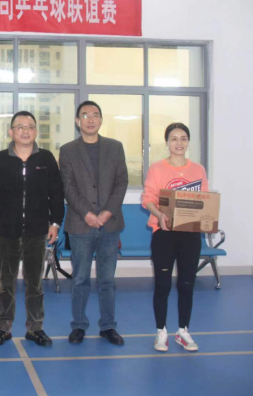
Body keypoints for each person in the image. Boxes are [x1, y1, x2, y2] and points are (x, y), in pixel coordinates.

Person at [0, 111, 64, 346]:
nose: (25, 131)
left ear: (36, 132)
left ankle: (35, 328)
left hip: (37, 232)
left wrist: (55, 223)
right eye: (20, 127)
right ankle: (3, 327)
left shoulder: (46, 159)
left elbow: (57, 194)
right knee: (5, 283)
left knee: (35, 284)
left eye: (30, 127)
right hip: (6, 231)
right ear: (11, 132)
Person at [59, 101, 128, 346]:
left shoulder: (115, 147)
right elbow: (67, 186)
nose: (90, 119)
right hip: (81, 224)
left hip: (110, 225)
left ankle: (108, 326)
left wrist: (107, 212)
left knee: (107, 280)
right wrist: (87, 213)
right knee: (80, 279)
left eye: (95, 115)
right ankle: (78, 325)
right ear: (77, 121)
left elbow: (121, 182)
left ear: (101, 120)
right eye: (85, 115)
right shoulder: (68, 150)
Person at [142, 123, 207, 352]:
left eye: (183, 138)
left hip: (190, 236)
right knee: (163, 285)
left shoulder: (198, 169)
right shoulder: (157, 169)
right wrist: (159, 214)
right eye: (174, 138)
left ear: (188, 142)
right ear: (167, 142)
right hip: (164, 235)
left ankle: (183, 331)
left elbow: (204, 200)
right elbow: (148, 198)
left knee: (187, 284)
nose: (179, 143)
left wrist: (207, 220)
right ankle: (161, 332)